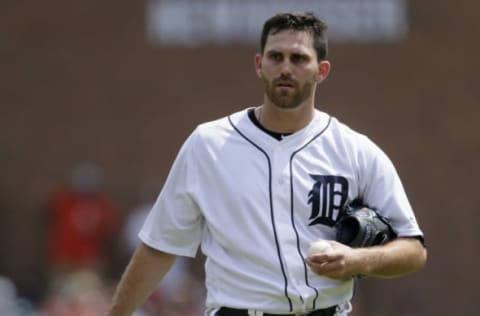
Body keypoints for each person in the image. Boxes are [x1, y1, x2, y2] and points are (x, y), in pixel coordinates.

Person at [105, 11, 427, 316]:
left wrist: (359, 259)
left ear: (322, 70)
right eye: (276, 57)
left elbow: (413, 249)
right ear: (259, 65)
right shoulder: (209, 145)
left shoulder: (355, 151)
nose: (286, 67)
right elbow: (160, 246)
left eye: (299, 58)